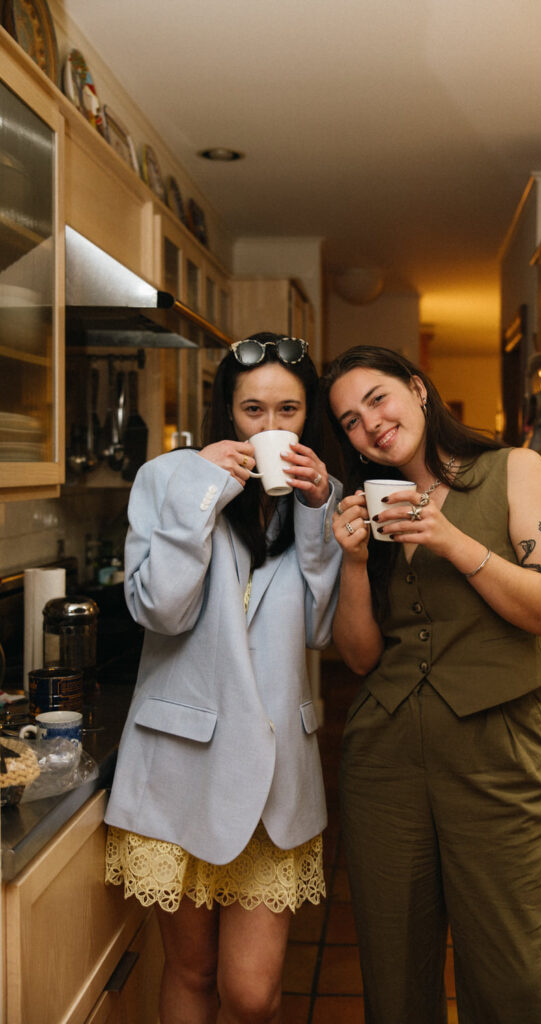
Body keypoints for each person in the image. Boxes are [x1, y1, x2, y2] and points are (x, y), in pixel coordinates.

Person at [321, 345, 541, 1024]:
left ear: (417, 388)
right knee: (395, 977)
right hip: (384, 761)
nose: (370, 424)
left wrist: (453, 542)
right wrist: (350, 563)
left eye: (378, 398)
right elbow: (358, 658)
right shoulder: (367, 513)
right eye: (349, 419)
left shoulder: (513, 471)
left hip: (498, 756)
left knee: (512, 981)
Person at [104, 332, 342, 1024]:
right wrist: (203, 487)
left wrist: (317, 511)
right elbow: (160, 610)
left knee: (251, 992)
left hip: (275, 781)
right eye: (253, 410)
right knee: (192, 970)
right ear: (226, 413)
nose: (270, 428)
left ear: (308, 417)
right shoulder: (166, 479)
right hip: (180, 767)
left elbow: (320, 631)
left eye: (288, 410)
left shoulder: (317, 500)